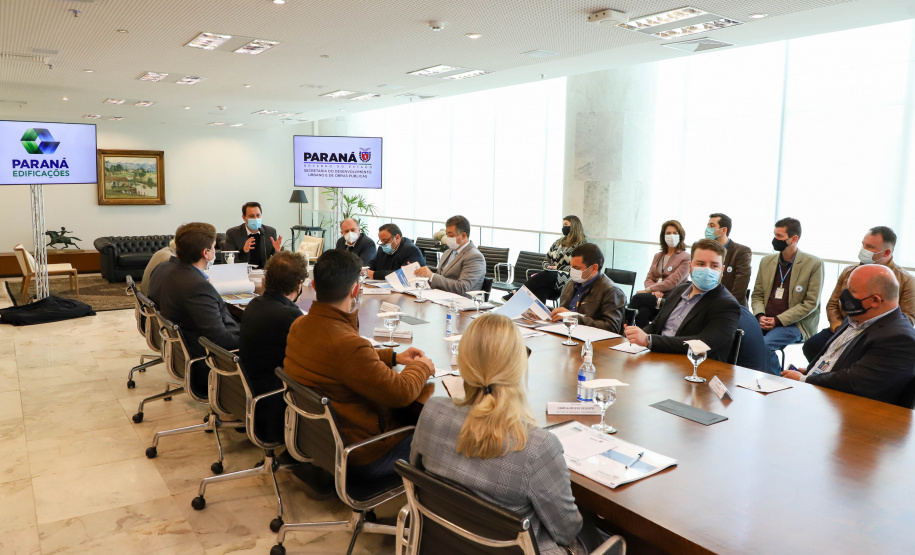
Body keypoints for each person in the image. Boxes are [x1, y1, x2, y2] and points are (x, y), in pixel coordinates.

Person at [411, 313, 609, 555]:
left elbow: (419, 479)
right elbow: (566, 532)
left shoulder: (432, 411)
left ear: (462, 361)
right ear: (518, 367)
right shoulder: (537, 446)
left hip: (442, 543)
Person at [285, 250, 435, 477]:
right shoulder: (347, 345)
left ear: (314, 285)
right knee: (437, 432)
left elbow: (343, 362)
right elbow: (402, 392)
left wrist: (394, 357)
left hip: (318, 441)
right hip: (363, 452)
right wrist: (422, 366)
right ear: (355, 289)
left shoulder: (300, 325)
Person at [782, 265, 915, 408]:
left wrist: (805, 380)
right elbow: (835, 361)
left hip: (854, 414)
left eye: (852, 291)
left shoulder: (898, 338)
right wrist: (812, 372)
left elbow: (855, 383)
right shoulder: (857, 317)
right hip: (826, 399)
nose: (845, 296)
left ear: (875, 300)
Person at [148, 222, 239, 394]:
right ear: (206, 253)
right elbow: (220, 340)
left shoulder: (172, 272)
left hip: (185, 354)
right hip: (210, 365)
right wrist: (251, 342)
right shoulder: (196, 285)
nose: (214, 252)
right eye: (213, 248)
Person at [802, 226, 915, 363]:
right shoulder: (849, 272)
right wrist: (838, 326)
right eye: (863, 244)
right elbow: (832, 304)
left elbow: (908, 318)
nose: (863, 249)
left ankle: (835, 379)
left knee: (854, 356)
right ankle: (819, 377)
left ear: (886, 253)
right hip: (844, 327)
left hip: (876, 333)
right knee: (812, 346)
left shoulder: (906, 280)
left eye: (870, 246)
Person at [624, 239, 740, 362]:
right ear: (690, 266)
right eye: (701, 264)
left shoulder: (727, 305)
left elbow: (702, 344)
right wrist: (636, 336)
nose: (707, 269)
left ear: (722, 269)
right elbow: (657, 325)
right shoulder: (679, 290)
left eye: (714, 266)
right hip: (656, 358)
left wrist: (648, 340)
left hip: (692, 367)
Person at [751, 217, 824, 374]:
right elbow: (757, 294)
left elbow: (811, 303)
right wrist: (760, 315)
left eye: (780, 236)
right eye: (775, 235)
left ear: (794, 239)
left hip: (795, 324)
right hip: (765, 320)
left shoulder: (813, 264)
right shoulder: (766, 261)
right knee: (740, 337)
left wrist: (778, 320)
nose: (775, 239)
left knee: (765, 344)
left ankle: (777, 380)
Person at [550, 243, 627, 333]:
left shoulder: (611, 291)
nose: (572, 271)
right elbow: (562, 313)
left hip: (592, 341)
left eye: (577, 268)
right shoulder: (570, 284)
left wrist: (573, 318)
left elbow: (611, 327)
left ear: (594, 268)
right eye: (571, 267)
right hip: (566, 334)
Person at [510, 216, 587, 303]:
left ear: (574, 226)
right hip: (552, 280)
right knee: (540, 289)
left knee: (548, 275)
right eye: (563, 225)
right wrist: (549, 266)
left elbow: (580, 268)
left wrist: (558, 268)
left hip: (570, 279)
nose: (564, 227)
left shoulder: (582, 246)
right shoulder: (558, 243)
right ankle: (539, 315)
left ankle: (517, 293)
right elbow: (545, 261)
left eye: (566, 224)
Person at [629, 220, 691, 327]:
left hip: (671, 298)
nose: (671, 236)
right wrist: (654, 291)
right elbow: (649, 278)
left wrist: (649, 290)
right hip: (654, 296)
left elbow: (672, 282)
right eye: (668, 233)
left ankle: (621, 328)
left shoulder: (686, 257)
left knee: (637, 298)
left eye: (675, 233)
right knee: (642, 313)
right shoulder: (658, 256)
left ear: (680, 235)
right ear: (663, 236)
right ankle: (643, 341)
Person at [414, 215, 485, 296]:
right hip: (439, 297)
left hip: (460, 303)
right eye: (447, 235)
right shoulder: (447, 252)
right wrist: (422, 274)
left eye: (451, 235)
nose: (448, 238)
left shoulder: (475, 257)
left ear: (463, 236)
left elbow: (462, 287)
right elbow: (439, 278)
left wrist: (432, 276)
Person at [706, 213, 752, 307]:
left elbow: (740, 287)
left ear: (723, 230)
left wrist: (726, 308)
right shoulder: (706, 251)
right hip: (707, 304)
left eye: (712, 226)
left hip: (730, 306)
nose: (708, 229)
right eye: (707, 226)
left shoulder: (741, 251)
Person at [223, 201, 283, 269]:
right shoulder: (233, 233)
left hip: (264, 273)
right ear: (244, 217)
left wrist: (278, 251)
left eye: (258, 215)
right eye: (251, 216)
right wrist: (243, 250)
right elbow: (229, 259)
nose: (256, 219)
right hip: (242, 273)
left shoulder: (270, 232)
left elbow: (277, 261)